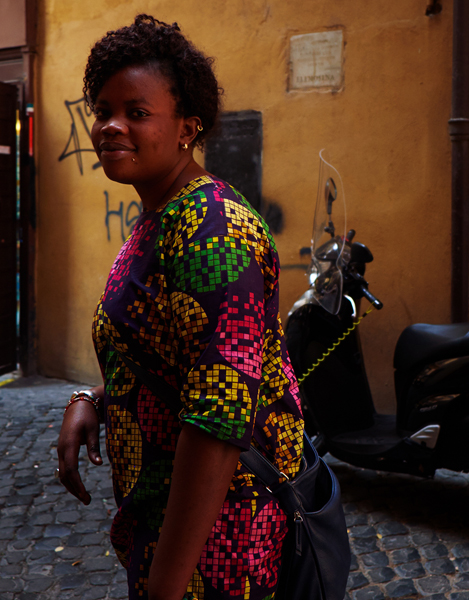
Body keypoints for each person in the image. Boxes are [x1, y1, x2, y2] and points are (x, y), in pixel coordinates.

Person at [56, 15, 304, 600]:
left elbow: (219, 420)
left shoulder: (214, 233)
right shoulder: (163, 217)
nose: (110, 126)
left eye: (136, 112)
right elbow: (169, 353)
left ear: (187, 128)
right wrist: (92, 398)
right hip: (166, 524)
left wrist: (165, 587)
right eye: (103, 110)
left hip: (218, 545)